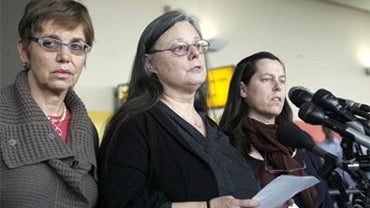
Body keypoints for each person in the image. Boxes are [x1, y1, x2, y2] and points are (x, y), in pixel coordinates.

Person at [98, 10, 296, 208]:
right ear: (150, 64)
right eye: (180, 48)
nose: (195, 54)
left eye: (199, 45)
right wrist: (205, 206)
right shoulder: (133, 125)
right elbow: (121, 203)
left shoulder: (213, 130)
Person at [0, 0, 98, 207]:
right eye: (50, 43)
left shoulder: (87, 128)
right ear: (24, 51)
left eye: (76, 46)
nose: (65, 57)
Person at [219, 51, 333, 208]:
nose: (278, 87)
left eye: (282, 80)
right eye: (267, 79)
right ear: (243, 90)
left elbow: (325, 200)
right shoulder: (225, 145)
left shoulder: (300, 140)